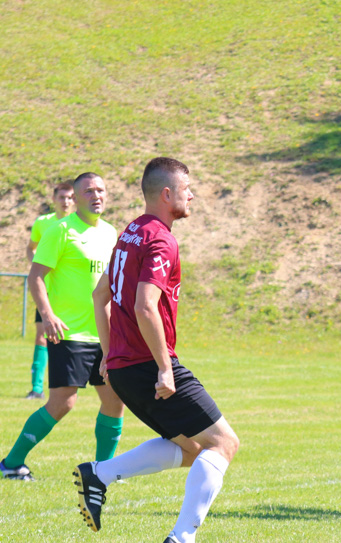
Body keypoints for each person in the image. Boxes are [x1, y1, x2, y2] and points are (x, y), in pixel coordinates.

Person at [74, 157, 239, 543]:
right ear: (167, 194)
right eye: (187, 189)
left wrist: (109, 356)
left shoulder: (131, 231)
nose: (192, 195)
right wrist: (165, 368)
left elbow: (100, 297)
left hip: (125, 367)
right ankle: (181, 538)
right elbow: (144, 305)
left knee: (191, 450)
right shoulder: (160, 238)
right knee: (224, 443)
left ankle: (98, 475)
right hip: (149, 364)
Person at [0, 173, 123, 482]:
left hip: (105, 334)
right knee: (62, 403)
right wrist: (48, 314)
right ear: (76, 198)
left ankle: (101, 474)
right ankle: (11, 463)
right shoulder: (61, 231)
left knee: (114, 401)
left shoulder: (112, 234)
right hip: (69, 333)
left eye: (101, 190)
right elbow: (36, 276)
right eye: (89, 191)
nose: (97, 195)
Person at [24, 181, 75, 400]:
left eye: (70, 197)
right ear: (54, 199)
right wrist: (38, 267)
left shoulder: (78, 224)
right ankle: (37, 388)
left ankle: (71, 386)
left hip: (70, 295)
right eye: (62, 197)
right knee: (42, 336)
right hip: (46, 293)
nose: (66, 201)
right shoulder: (42, 223)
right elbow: (31, 248)